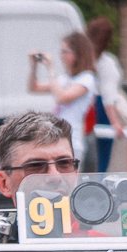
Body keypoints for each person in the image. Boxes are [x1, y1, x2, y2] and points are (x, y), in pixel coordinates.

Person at [30, 31, 97, 166]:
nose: (61, 56)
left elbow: (62, 97)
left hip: (72, 142)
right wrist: (34, 67)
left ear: (77, 54)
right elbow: (34, 88)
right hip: (55, 140)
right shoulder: (64, 79)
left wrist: (50, 69)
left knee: (68, 185)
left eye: (65, 52)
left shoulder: (87, 79)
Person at [86, 18, 127, 173]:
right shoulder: (107, 62)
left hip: (87, 107)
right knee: (103, 158)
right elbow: (108, 96)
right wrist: (115, 122)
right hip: (102, 110)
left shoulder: (84, 60)